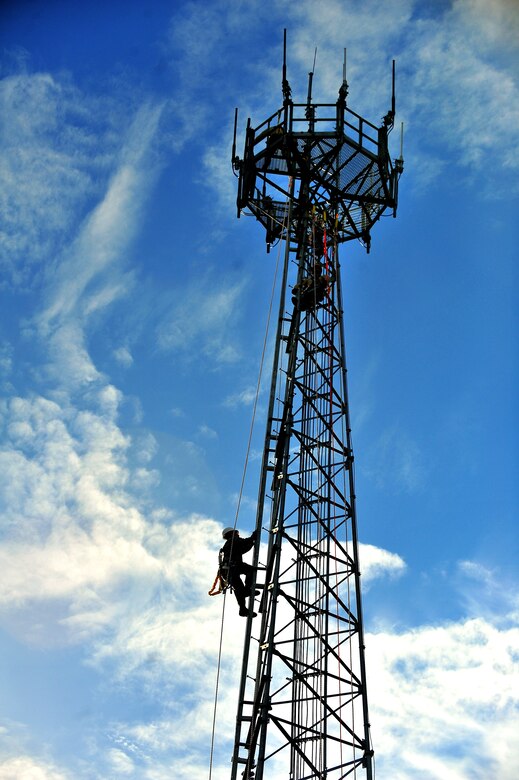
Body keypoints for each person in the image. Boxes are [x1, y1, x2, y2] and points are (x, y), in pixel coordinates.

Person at [220, 527, 258, 617]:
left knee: (239, 589)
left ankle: (243, 609)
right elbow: (244, 543)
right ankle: (247, 590)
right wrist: (253, 537)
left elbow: (243, 549)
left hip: (228, 571)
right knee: (250, 570)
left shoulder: (230, 543)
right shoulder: (233, 540)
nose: (238, 534)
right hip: (233, 567)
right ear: (232, 533)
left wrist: (252, 541)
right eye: (236, 533)